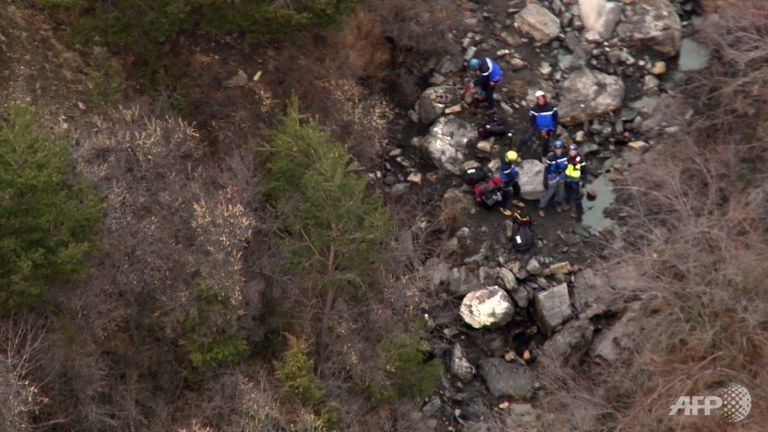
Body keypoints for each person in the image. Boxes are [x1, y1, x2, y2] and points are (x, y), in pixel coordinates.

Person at [517, 90, 559, 157]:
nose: (540, 101)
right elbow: (532, 121)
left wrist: (553, 128)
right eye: (539, 100)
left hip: (549, 128)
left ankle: (544, 155)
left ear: (544, 98)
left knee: (547, 142)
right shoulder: (534, 109)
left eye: (542, 99)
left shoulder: (552, 107)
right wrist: (538, 129)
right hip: (537, 128)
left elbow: (556, 119)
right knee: (525, 137)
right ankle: (518, 150)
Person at [539, 140, 567, 217]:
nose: (558, 150)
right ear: (554, 148)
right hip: (552, 177)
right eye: (556, 148)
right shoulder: (550, 157)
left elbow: (567, 165)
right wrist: (545, 180)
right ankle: (541, 207)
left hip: (561, 176)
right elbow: (546, 170)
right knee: (548, 193)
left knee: (561, 192)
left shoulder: (565, 155)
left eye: (560, 148)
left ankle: (558, 203)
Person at [564, 143, 588, 221]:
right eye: (571, 150)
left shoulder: (580, 159)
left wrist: (584, 180)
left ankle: (579, 212)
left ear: (576, 151)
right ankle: (569, 204)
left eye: (573, 150)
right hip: (568, 179)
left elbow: (584, 170)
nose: (572, 152)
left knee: (577, 197)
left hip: (576, 180)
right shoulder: (567, 158)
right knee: (568, 193)